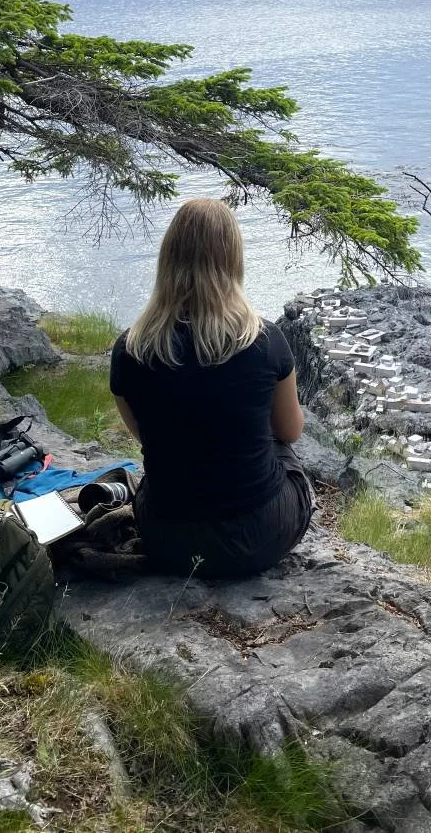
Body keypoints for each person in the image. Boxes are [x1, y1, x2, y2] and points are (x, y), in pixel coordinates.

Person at [109, 197, 314, 578]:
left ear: (167, 259)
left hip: (167, 540)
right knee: (280, 448)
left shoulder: (130, 348)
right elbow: (289, 431)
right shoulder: (265, 340)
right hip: (261, 536)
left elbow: (146, 436)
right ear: (233, 260)